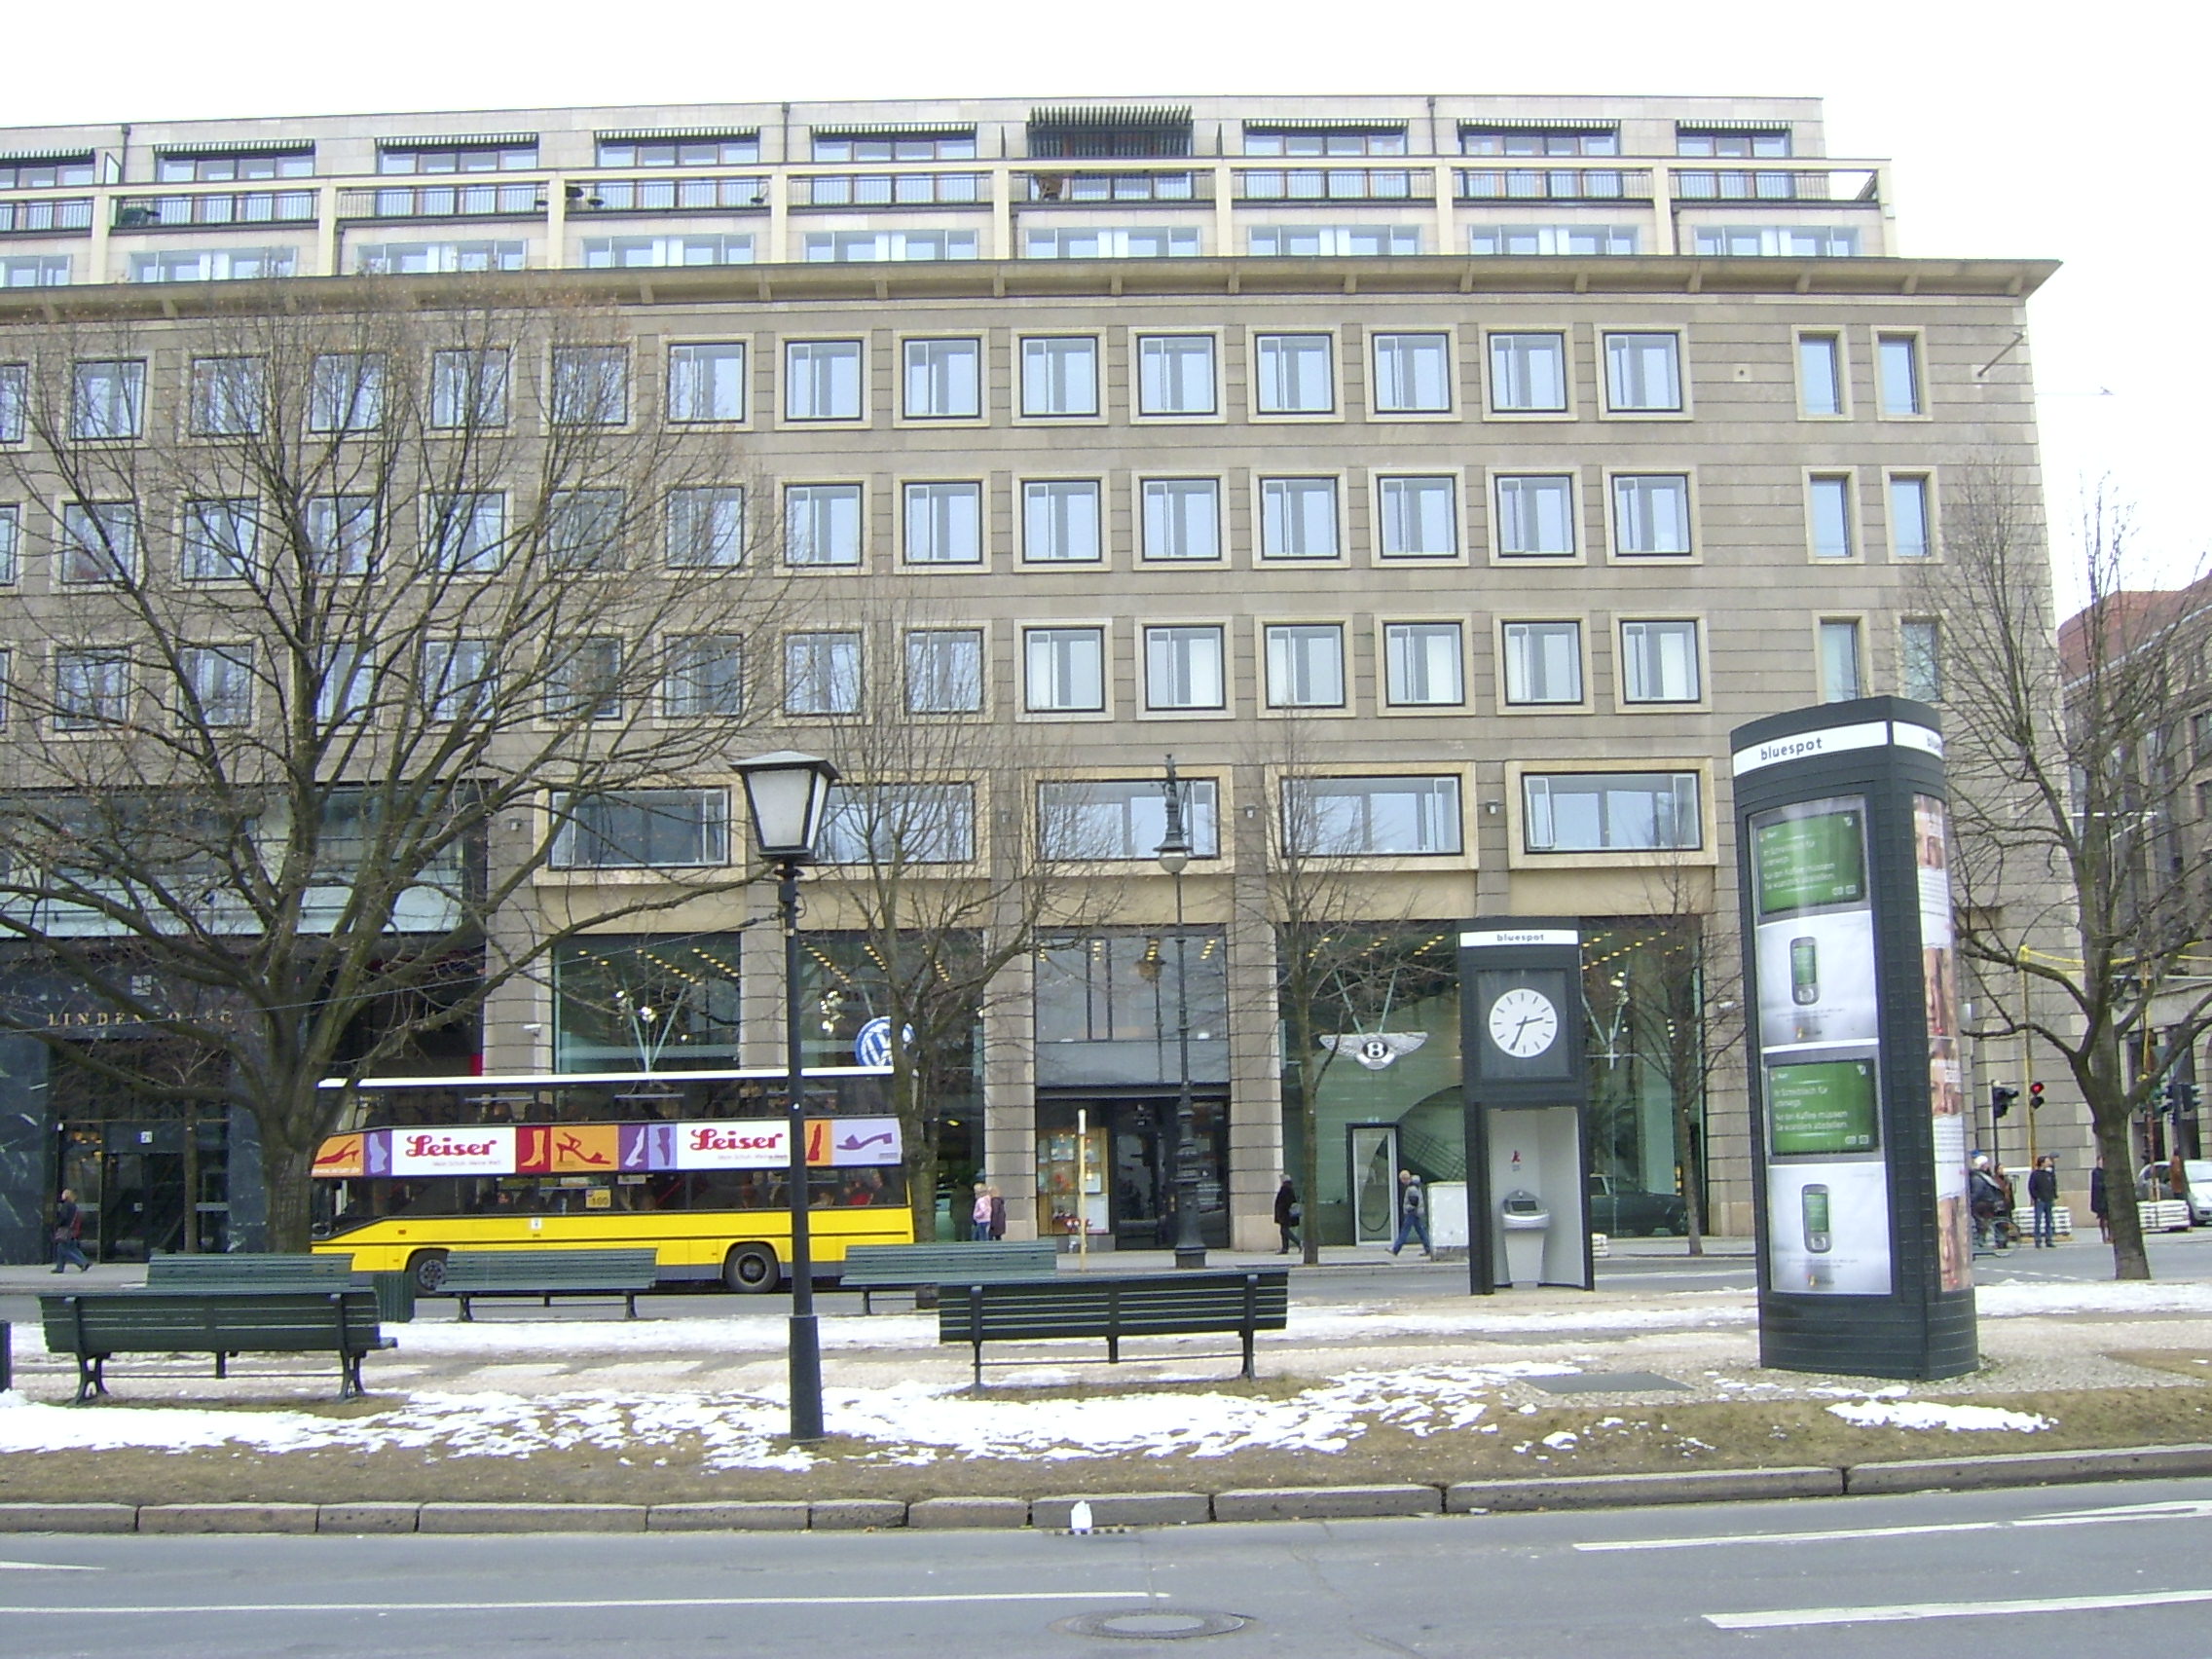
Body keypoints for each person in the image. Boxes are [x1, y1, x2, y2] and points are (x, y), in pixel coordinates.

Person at [1389, 1169, 1429, 1258]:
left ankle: (1396, 1249)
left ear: (1404, 1179)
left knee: (1405, 1230)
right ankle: (1428, 1249)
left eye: (1401, 1180)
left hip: (1412, 1213)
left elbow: (1414, 1202)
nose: (1402, 1182)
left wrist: (1408, 1208)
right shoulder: (1415, 1186)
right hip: (1416, 1212)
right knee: (1421, 1231)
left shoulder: (1411, 1188)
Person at [51, 1188, 90, 1273]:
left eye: (64, 1194)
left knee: (63, 1249)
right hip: (72, 1230)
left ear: (67, 1196)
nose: (62, 1195)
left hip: (65, 1230)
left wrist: (57, 1224)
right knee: (71, 1248)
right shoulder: (74, 1206)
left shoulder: (66, 1205)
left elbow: (63, 1217)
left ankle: (81, 1263)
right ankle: (60, 1267)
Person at [2027, 1155, 2058, 1248]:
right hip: (2040, 1200)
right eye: (2047, 1161)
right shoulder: (2035, 1174)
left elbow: (2053, 1185)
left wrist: (2054, 1195)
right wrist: (2036, 1197)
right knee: (2038, 1220)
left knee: (2049, 1220)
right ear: (2042, 1163)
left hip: (2049, 1199)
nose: (2049, 1163)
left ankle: (2049, 1239)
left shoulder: (2049, 1174)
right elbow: (2031, 1187)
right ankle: (2037, 1240)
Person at [1273, 1174, 1300, 1255]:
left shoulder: (1285, 1189)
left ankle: (1298, 1242)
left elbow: (1285, 1202)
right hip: (1285, 1213)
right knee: (1283, 1231)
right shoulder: (1289, 1188)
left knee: (1285, 1230)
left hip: (1285, 1214)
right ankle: (1285, 1248)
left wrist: (1281, 1210)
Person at [2090, 1158, 2111, 1242]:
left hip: (2108, 1198)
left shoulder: (2108, 1171)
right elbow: (2096, 1185)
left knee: (2110, 1219)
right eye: (2100, 1162)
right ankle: (2104, 1235)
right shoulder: (2096, 1172)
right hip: (2100, 1199)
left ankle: (2110, 1235)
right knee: (2103, 1217)